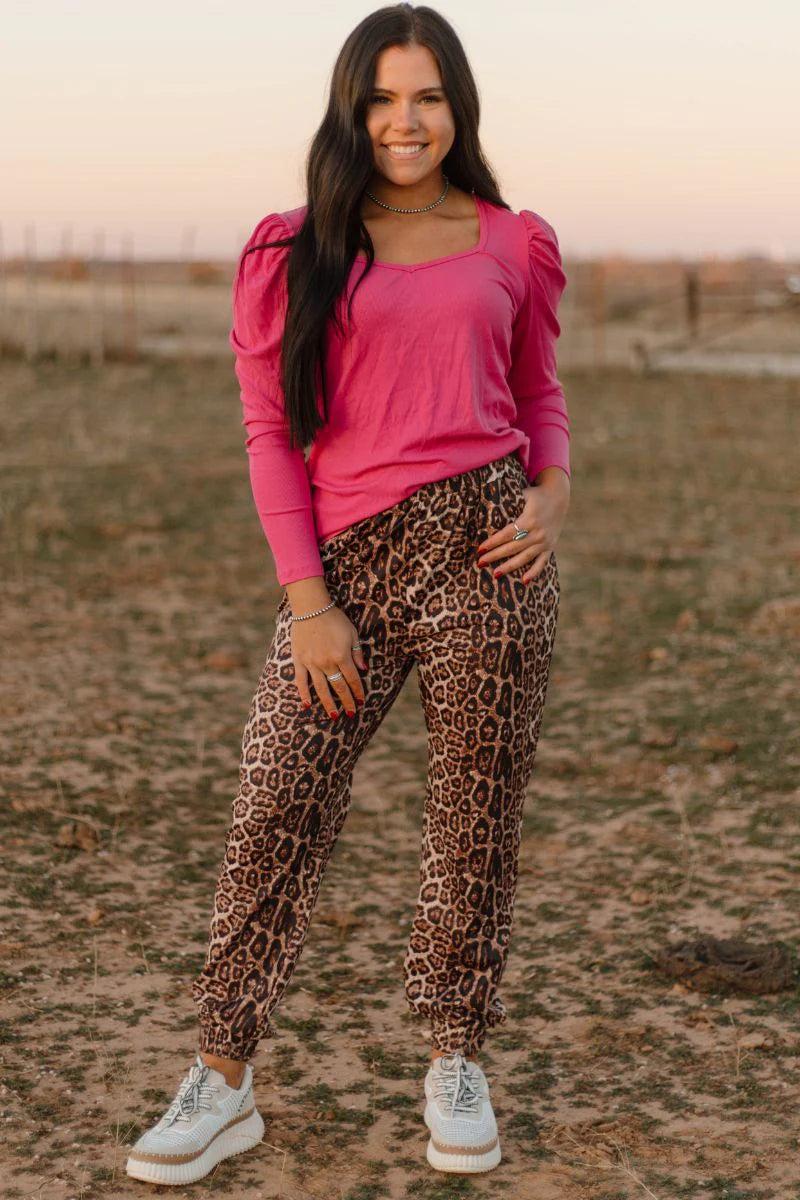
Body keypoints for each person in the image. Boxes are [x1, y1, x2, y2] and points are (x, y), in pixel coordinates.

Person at [126, 2, 571, 1185]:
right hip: (344, 571)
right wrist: (307, 601)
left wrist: (552, 496)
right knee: (274, 803)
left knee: (473, 819)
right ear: (348, 109)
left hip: (486, 549)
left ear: (457, 106)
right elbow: (268, 431)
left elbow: (537, 394)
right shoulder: (290, 247)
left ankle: (454, 1058)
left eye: (425, 96)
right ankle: (222, 1078)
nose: (402, 121)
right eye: (379, 98)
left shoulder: (512, 241)